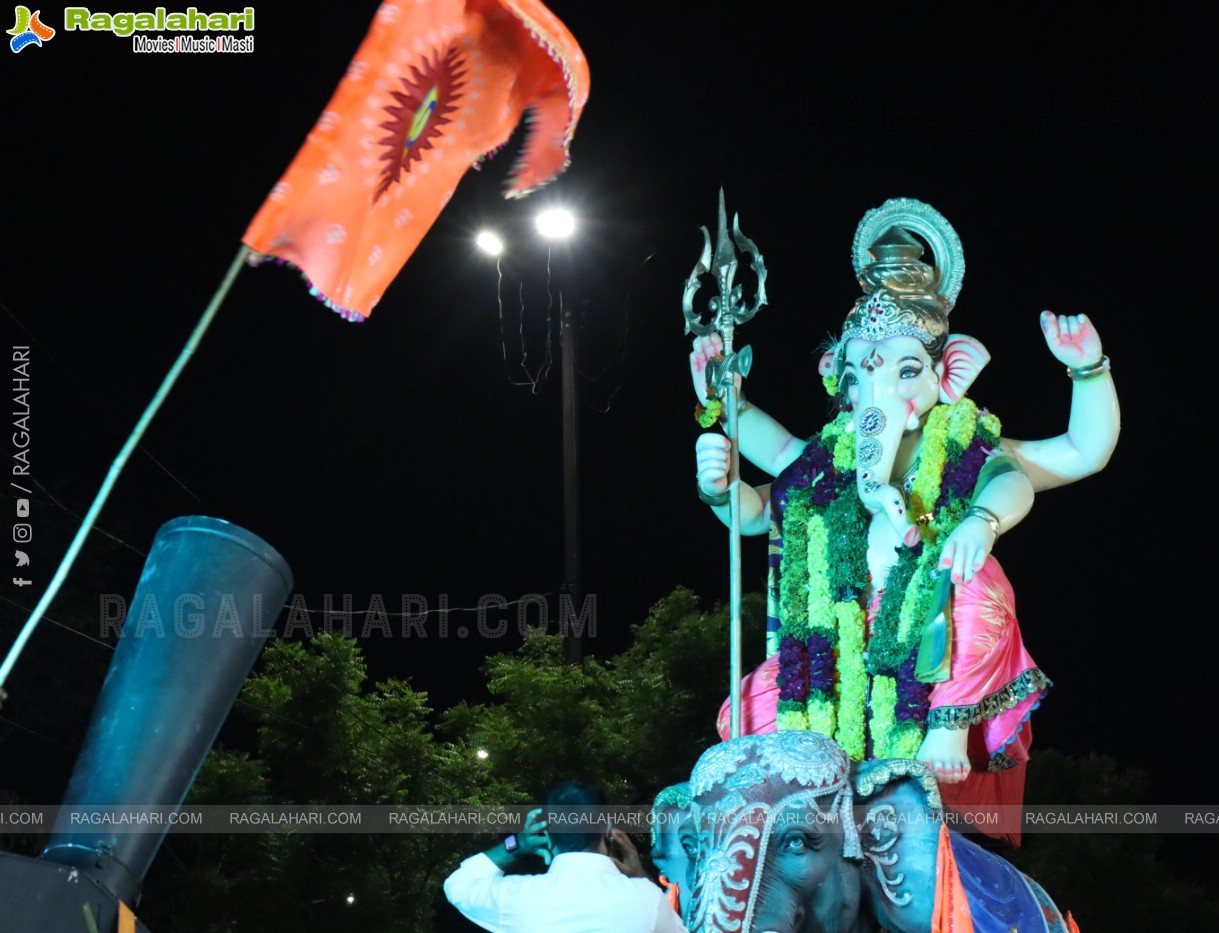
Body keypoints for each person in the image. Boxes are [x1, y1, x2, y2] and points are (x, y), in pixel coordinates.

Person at [691, 199, 1118, 834]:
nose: (878, 394)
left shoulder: (968, 444)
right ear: (838, 379)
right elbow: (756, 508)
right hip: (835, 649)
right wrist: (720, 478)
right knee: (743, 717)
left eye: (906, 371)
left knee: (976, 582)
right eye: (862, 375)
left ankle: (948, 724)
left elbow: (1081, 452)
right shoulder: (830, 462)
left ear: (952, 373)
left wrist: (1087, 370)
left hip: (928, 638)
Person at [443, 781, 686, 933]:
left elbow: (459, 885)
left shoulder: (518, 897)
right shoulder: (645, 898)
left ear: (546, 834)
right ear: (609, 830)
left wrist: (518, 844)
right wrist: (642, 877)